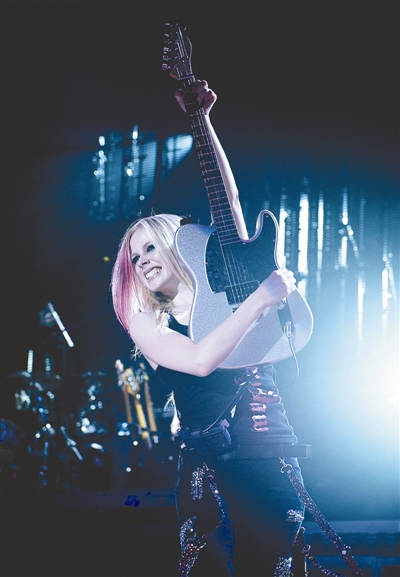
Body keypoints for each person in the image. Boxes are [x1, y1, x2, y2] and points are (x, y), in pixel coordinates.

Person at [111, 80, 308, 577]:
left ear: (174, 245)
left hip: (271, 450)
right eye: (134, 257)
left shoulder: (227, 288)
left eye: (150, 247)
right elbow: (201, 362)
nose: (142, 261)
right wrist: (262, 299)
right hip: (208, 467)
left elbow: (231, 201)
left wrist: (202, 120)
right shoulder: (146, 321)